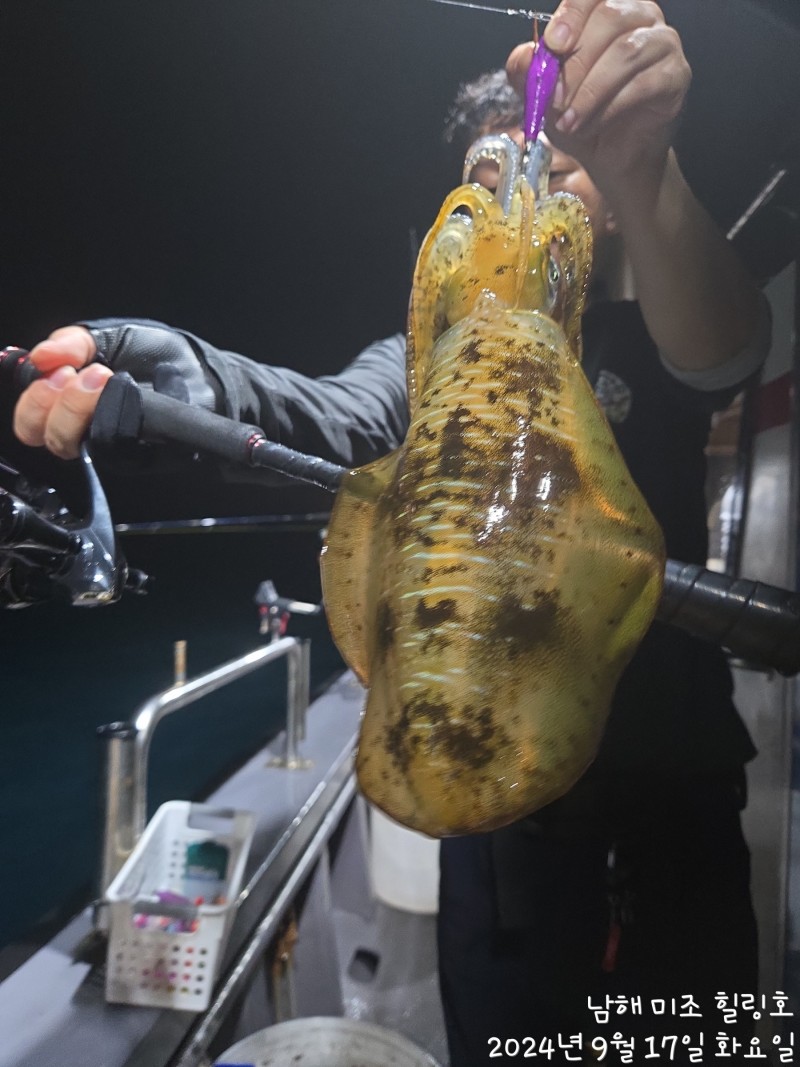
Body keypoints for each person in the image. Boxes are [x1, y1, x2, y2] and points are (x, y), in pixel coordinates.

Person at [10, 2, 770, 1063]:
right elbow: (328, 414)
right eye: (482, 180)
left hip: (670, 807)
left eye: (557, 172)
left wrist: (644, 172)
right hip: (496, 835)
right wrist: (192, 383)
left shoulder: (654, 328)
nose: (516, 195)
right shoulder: (427, 367)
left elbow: (723, 351)